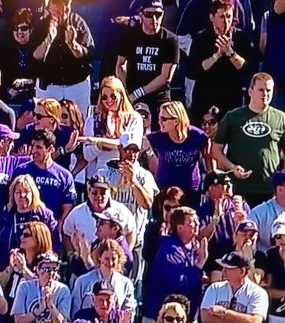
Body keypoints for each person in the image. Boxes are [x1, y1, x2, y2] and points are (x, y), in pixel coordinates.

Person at [210, 72, 285, 205]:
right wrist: (232, 167)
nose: (265, 94)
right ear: (250, 91)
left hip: (270, 188)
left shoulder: (280, 118)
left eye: (268, 90)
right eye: (261, 90)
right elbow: (215, 150)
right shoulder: (233, 117)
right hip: (239, 189)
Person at [96, 134, 157, 278]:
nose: (131, 154)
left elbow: (147, 203)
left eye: (134, 150)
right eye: (127, 150)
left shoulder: (145, 176)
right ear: (120, 149)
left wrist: (134, 181)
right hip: (109, 242)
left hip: (134, 241)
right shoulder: (104, 173)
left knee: (132, 283)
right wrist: (121, 182)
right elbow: (100, 203)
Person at [143, 207, 207, 323]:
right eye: (191, 223)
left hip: (186, 317)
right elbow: (179, 283)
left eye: (197, 221)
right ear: (179, 228)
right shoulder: (169, 248)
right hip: (160, 318)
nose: (197, 225)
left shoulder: (194, 246)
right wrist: (200, 263)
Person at [187, 0, 254, 121]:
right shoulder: (201, 38)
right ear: (212, 17)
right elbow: (194, 70)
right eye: (221, 16)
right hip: (205, 95)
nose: (226, 20)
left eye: (229, 16)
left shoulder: (241, 38)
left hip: (231, 96)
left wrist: (230, 53)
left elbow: (246, 69)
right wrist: (217, 55)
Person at [200, 251, 268, 323]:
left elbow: (253, 322)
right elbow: (206, 317)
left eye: (228, 268)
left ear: (242, 271)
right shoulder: (214, 288)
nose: (223, 271)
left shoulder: (257, 293)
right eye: (223, 267)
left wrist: (224, 313)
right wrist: (239, 321)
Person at [116, 0, 179, 119]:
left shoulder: (170, 40)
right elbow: (120, 65)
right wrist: (125, 91)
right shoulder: (131, 36)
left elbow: (165, 77)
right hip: (133, 98)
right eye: (149, 15)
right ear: (141, 15)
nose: (154, 20)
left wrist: (137, 94)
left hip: (158, 98)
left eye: (158, 15)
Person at [31, 0, 95, 112]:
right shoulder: (41, 25)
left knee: (81, 123)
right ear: (49, 6)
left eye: (66, 5)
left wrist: (73, 44)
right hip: (50, 87)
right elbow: (34, 56)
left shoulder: (78, 22)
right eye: (58, 5)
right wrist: (49, 39)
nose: (62, 10)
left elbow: (90, 54)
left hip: (77, 86)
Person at [146, 101, 210, 208]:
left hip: (190, 189)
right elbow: (137, 143)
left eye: (164, 119)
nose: (159, 122)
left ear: (176, 120)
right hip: (165, 188)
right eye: (159, 118)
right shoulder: (157, 137)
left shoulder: (198, 136)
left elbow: (209, 161)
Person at [79, 77, 144, 181]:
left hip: (126, 173)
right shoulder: (92, 120)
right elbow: (87, 155)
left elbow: (129, 145)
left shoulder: (134, 117)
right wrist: (99, 146)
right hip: (100, 176)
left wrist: (98, 141)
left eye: (113, 96)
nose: (109, 100)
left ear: (121, 96)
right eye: (104, 97)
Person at [0, 175, 58, 270]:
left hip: (38, 272)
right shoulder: (6, 216)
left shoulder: (44, 215)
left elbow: (55, 243)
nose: (22, 195)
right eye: (18, 192)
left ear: (33, 193)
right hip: (8, 271)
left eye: (26, 192)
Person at [13, 129, 77, 227]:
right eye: (33, 146)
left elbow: (68, 205)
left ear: (50, 149)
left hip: (50, 228)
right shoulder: (21, 171)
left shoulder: (64, 176)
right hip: (25, 227)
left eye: (38, 147)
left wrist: (60, 224)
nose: (34, 150)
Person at [11, 253, 71, 323]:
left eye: (54, 270)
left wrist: (51, 304)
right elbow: (18, 322)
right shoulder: (25, 287)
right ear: (38, 270)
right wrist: (38, 311)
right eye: (47, 269)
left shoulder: (63, 291)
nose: (51, 273)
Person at [63, 175, 137, 255]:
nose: (99, 197)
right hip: (85, 262)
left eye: (103, 193)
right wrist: (70, 255)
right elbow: (66, 233)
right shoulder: (76, 213)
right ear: (88, 192)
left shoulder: (121, 211)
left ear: (109, 192)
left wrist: (126, 254)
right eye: (95, 193)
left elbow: (131, 231)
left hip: (113, 263)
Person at [0, 8, 37, 104]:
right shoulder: (5, 49)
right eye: (15, 28)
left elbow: (40, 76)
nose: (19, 32)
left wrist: (24, 83)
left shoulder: (37, 48)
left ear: (31, 30)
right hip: (9, 94)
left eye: (23, 28)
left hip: (32, 94)